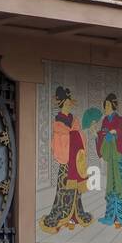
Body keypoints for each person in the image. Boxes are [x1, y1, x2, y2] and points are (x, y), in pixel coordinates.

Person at [39, 86, 92, 233]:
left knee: (76, 192)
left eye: (70, 104)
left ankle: (74, 217)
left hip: (77, 161)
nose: (69, 106)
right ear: (62, 104)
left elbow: (80, 136)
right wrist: (71, 137)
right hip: (66, 162)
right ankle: (62, 217)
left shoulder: (74, 120)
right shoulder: (58, 121)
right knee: (64, 191)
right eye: (67, 104)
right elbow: (58, 141)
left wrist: (77, 136)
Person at [95, 93, 122, 229]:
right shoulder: (104, 121)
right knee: (112, 185)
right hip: (111, 159)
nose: (106, 107)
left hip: (119, 158)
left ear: (113, 106)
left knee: (121, 186)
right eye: (105, 105)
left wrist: (115, 132)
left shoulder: (119, 120)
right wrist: (96, 136)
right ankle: (112, 216)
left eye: (108, 105)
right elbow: (102, 136)